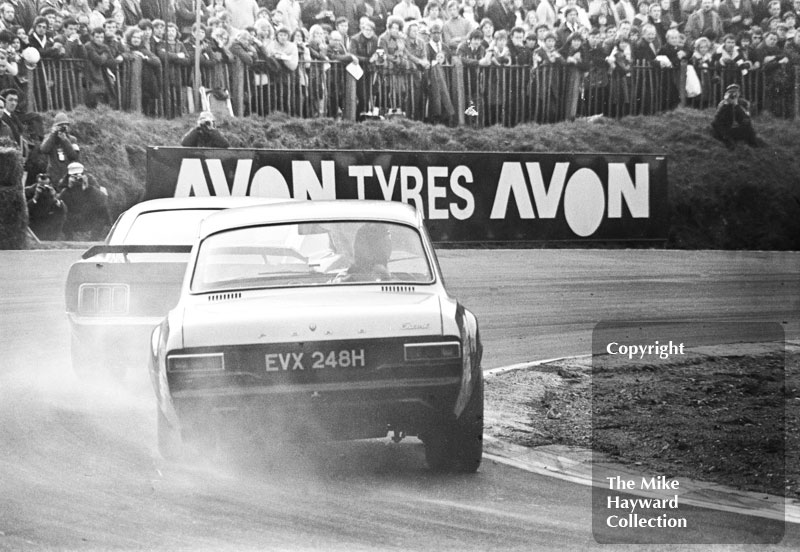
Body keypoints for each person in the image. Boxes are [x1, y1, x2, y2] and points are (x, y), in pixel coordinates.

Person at [57, 161, 111, 240]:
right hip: (73, 213)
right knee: (61, 212)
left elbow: (101, 197)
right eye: (74, 175)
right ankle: (69, 237)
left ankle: (94, 238)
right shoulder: (65, 181)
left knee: (102, 211)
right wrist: (68, 187)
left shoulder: (90, 179)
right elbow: (60, 198)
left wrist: (88, 188)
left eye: (78, 175)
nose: (77, 178)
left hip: (88, 213)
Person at [710, 83, 764, 149]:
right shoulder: (723, 103)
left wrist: (736, 105)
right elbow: (716, 121)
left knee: (748, 128)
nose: (733, 94)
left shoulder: (742, 103)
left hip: (735, 128)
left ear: (739, 93)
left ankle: (754, 146)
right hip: (724, 129)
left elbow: (745, 119)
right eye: (731, 92)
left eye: (735, 92)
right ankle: (729, 143)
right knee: (722, 133)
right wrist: (727, 104)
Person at [40, 111, 81, 184]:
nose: (63, 128)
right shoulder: (50, 138)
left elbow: (74, 156)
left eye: (65, 125)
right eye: (60, 125)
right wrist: (53, 134)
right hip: (53, 176)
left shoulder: (72, 140)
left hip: (68, 177)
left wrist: (65, 140)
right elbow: (43, 149)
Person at [25, 172, 67, 240]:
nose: (44, 188)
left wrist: (54, 198)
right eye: (41, 185)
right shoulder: (29, 191)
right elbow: (25, 210)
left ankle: (54, 237)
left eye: (46, 185)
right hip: (34, 223)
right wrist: (35, 198)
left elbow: (63, 210)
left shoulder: (52, 191)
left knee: (60, 215)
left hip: (49, 226)